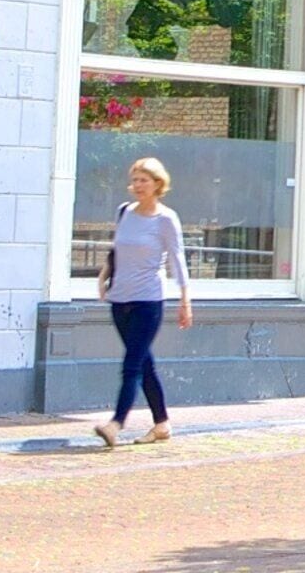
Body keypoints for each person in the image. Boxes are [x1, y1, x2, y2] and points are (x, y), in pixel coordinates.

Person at [94, 156, 193, 447]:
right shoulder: (124, 211)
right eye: (135, 180)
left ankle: (116, 423)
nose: (137, 185)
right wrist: (103, 276)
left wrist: (185, 300)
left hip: (148, 300)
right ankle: (161, 424)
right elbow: (117, 250)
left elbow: (178, 259)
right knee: (143, 362)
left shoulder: (166, 219)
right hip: (119, 299)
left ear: (157, 184)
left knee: (131, 365)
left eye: (143, 180)